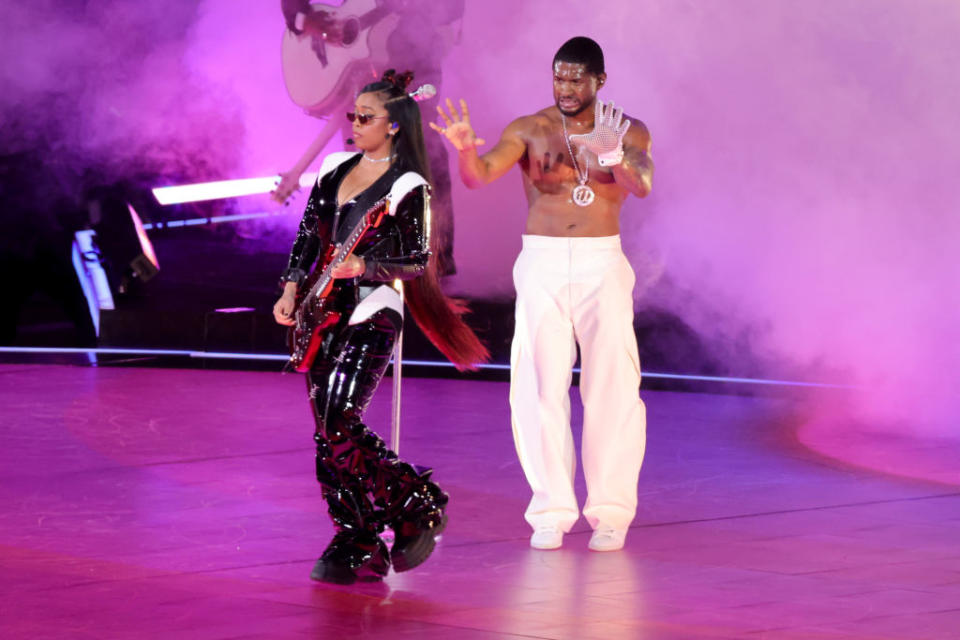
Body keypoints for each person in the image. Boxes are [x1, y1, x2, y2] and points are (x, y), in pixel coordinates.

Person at [431, 37, 654, 552]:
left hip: (602, 260)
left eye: (577, 78)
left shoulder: (628, 129)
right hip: (543, 260)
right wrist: (465, 149)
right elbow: (479, 177)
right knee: (536, 387)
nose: (566, 87)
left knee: (613, 388)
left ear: (600, 80)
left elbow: (640, 183)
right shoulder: (530, 128)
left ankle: (611, 512)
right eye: (559, 77)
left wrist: (613, 154)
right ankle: (551, 510)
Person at [273, 69, 487, 584]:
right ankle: (357, 535)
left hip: (372, 308)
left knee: (339, 418)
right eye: (353, 115)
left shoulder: (408, 185)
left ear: (393, 125)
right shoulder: (333, 168)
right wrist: (290, 287)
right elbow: (308, 235)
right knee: (327, 433)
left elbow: (415, 258)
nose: (354, 124)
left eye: (365, 117)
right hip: (321, 310)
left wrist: (365, 267)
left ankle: (416, 499)